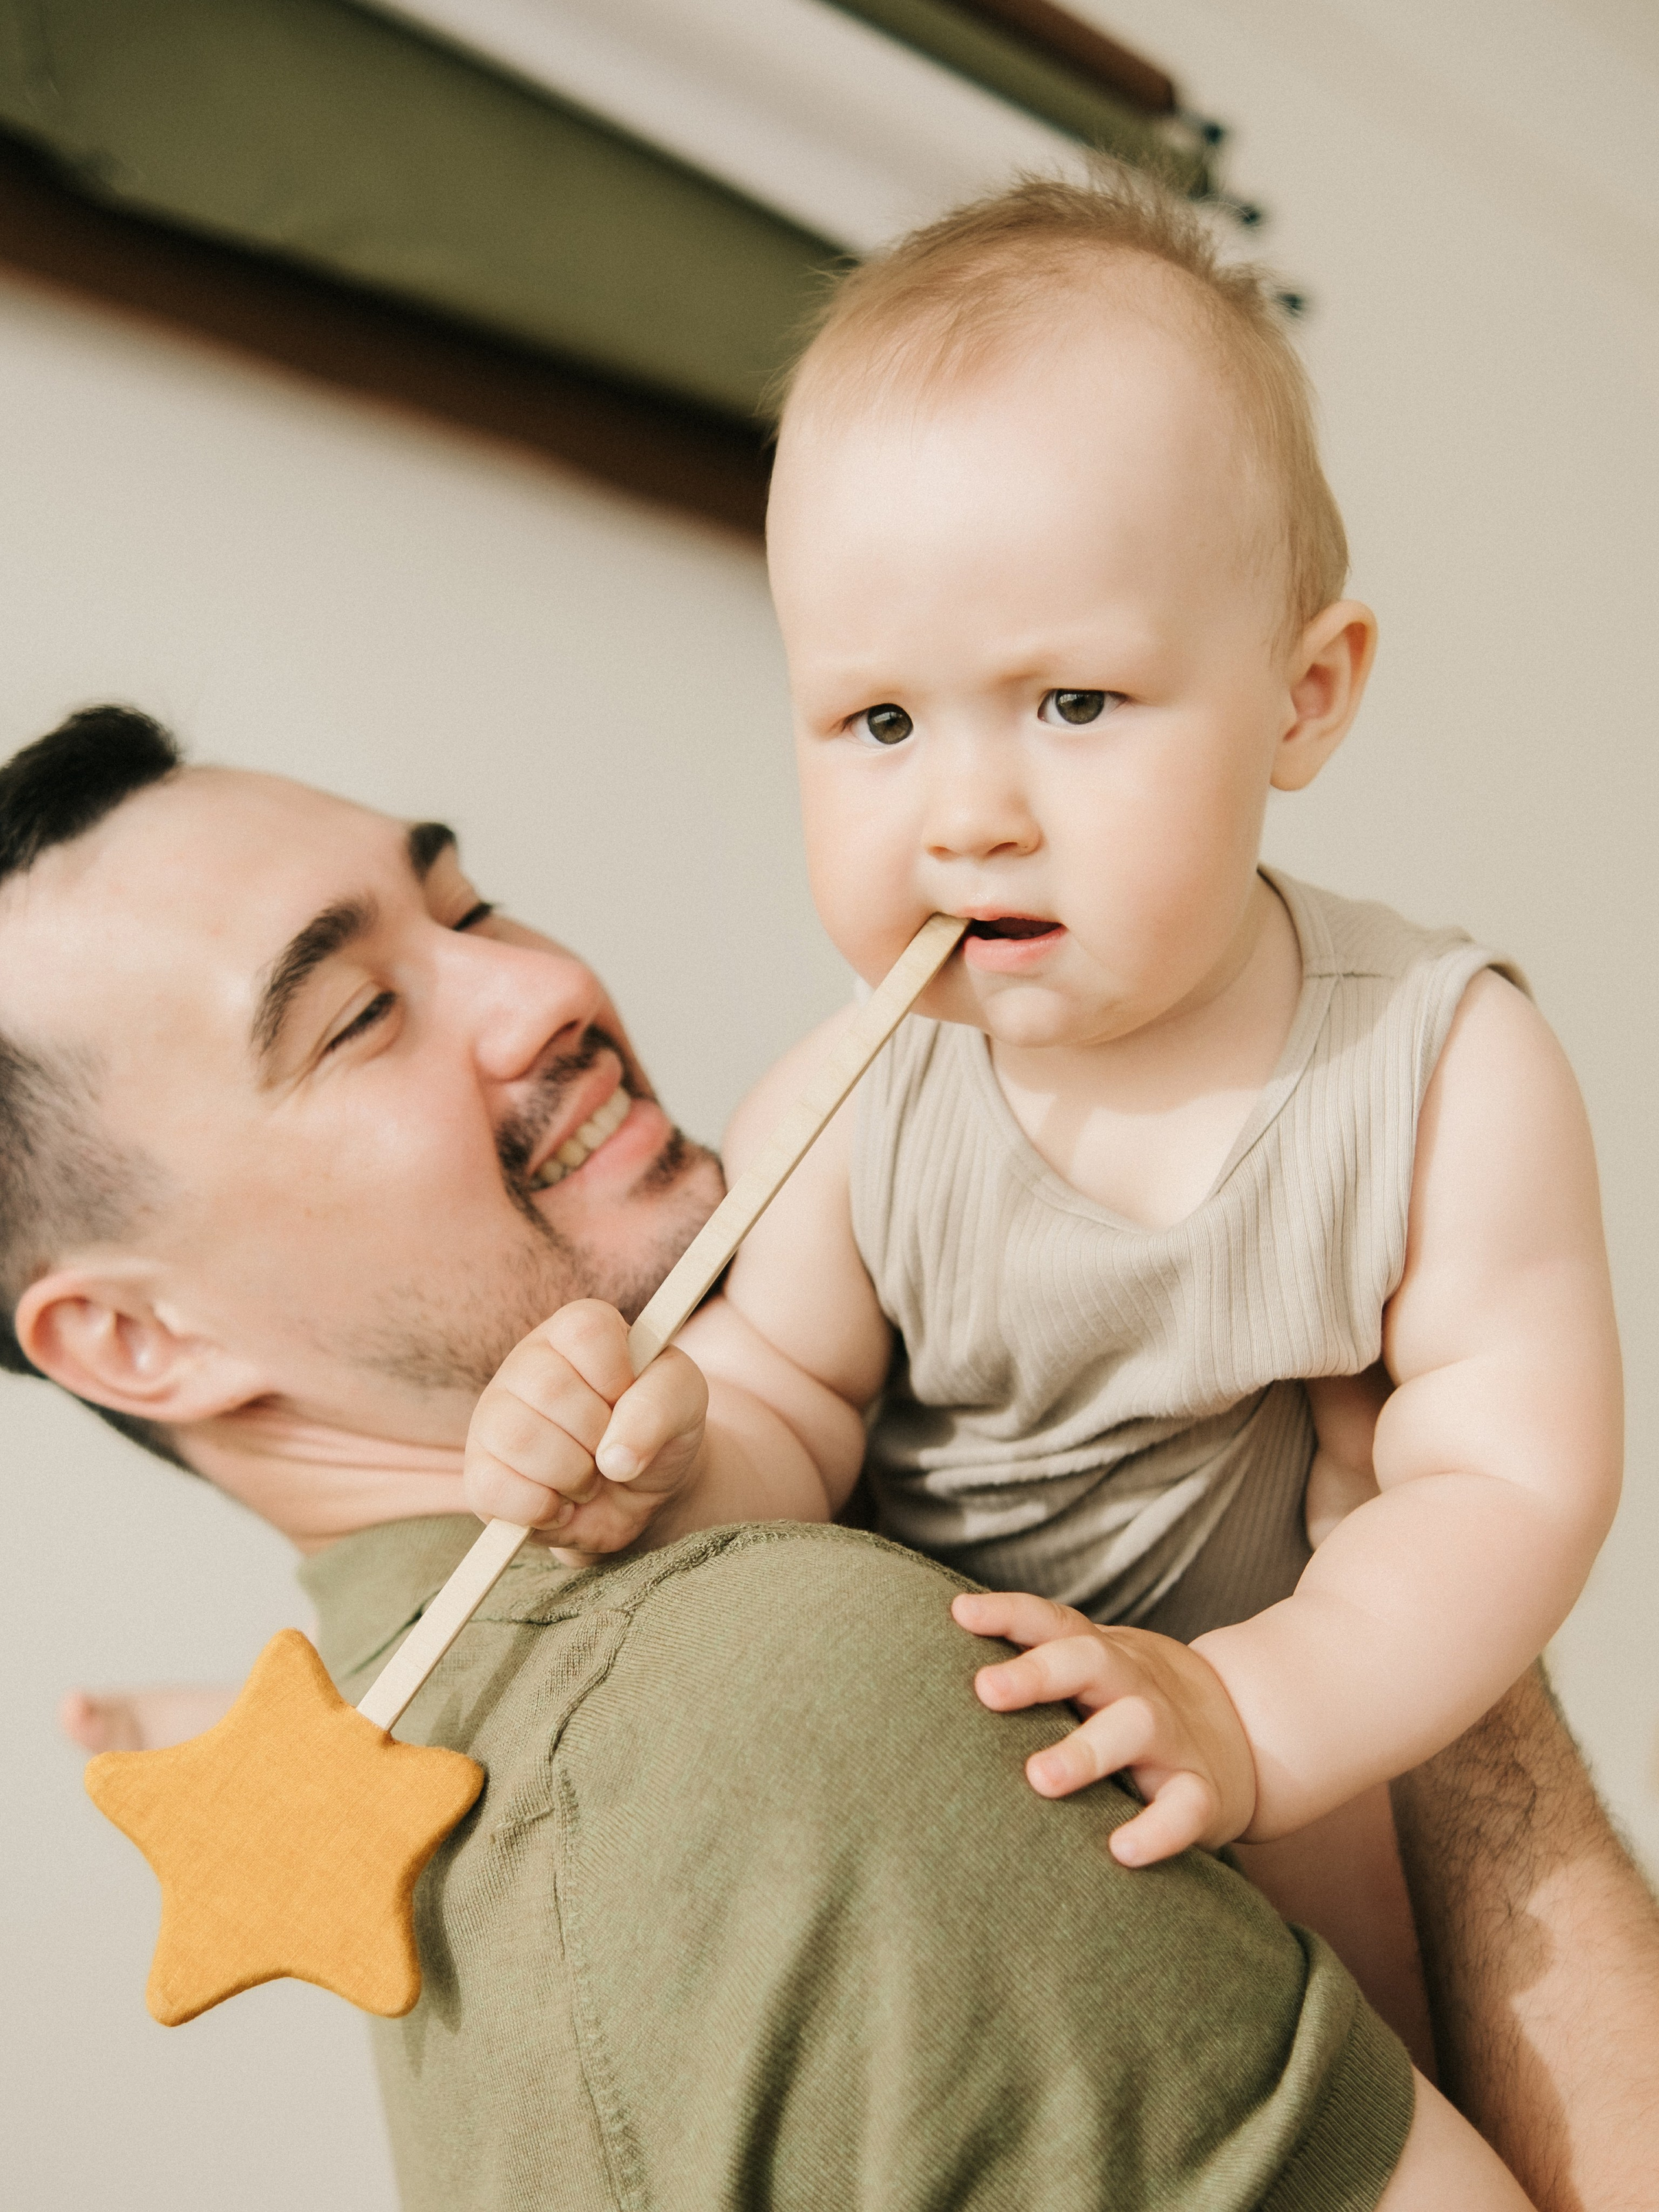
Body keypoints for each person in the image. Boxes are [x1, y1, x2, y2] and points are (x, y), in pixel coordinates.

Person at [7, 706, 1521, 2206]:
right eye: (356, 1018)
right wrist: (1425, 1614)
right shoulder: (776, 1685)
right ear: (139, 1341)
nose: (543, 986)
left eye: (466, 907)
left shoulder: (478, 1814)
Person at [454, 170, 1622, 2047]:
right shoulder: (855, 1097)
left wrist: (1257, 1707)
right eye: (881, 723)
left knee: (1382, 1994)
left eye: (1072, 703)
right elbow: (790, 1418)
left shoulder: (1436, 1067)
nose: (967, 816)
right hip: (955, 1832)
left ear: (1302, 696)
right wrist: (657, 1459)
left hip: (1282, 1767)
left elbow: (1506, 1481)